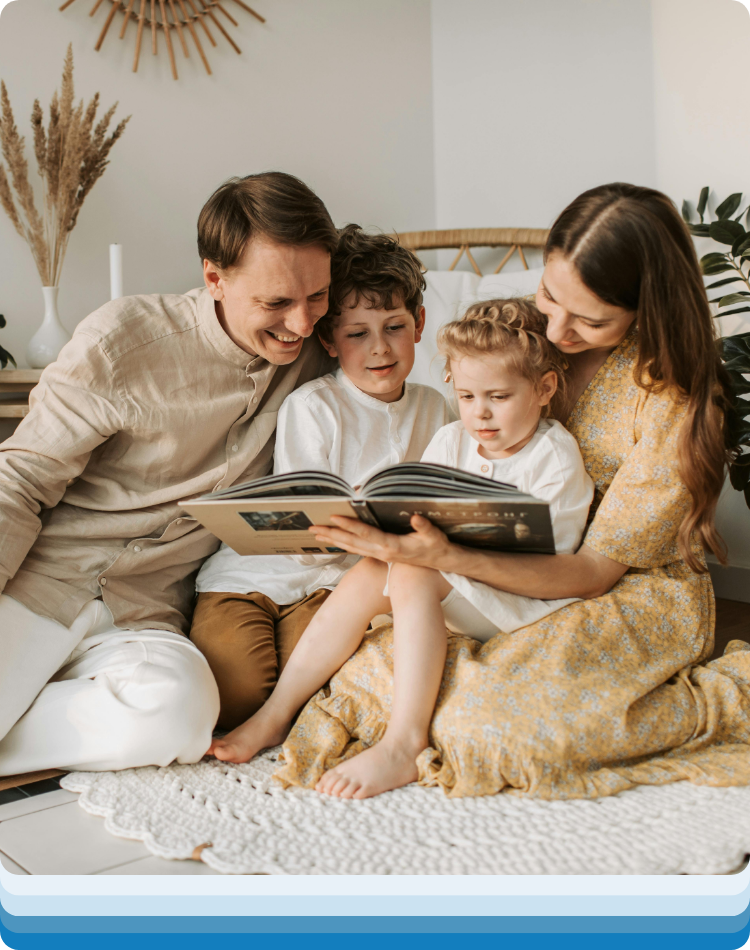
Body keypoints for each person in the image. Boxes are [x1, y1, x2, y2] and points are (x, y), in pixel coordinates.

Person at [275, 183, 750, 801]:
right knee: (375, 674)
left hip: (610, 586)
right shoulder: (522, 336)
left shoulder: (674, 403)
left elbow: (592, 572)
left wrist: (446, 558)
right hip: (489, 566)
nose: (556, 327)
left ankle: (723, 698)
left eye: (590, 319)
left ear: (646, 309)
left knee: (494, 732)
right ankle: (401, 730)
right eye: (550, 295)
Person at [0, 171, 338, 776]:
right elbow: (20, 481)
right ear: (215, 277)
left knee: (180, 715)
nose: (303, 323)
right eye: (276, 303)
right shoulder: (121, 342)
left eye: (317, 296)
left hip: (145, 615)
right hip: (41, 585)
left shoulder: (320, 357)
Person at [209, 299, 593, 795]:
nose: (481, 413)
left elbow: (548, 565)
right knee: (372, 568)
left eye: (499, 397)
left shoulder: (554, 457)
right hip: (459, 586)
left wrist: (433, 553)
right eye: (468, 395)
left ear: (543, 389)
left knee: (411, 570)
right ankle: (276, 714)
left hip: (518, 601)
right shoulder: (452, 438)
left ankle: (404, 744)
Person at [197, 224, 449, 741]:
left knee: (313, 684)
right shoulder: (315, 407)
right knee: (235, 693)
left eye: (394, 327)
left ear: (419, 324)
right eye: (358, 333)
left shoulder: (437, 408)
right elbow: (302, 530)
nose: (380, 348)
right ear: (330, 340)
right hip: (256, 578)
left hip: (337, 586)